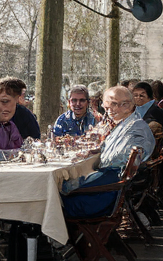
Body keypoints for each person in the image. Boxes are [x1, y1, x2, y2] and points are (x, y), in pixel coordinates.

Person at [60, 86, 154, 217]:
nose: (108, 112)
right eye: (106, 108)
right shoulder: (127, 123)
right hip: (111, 191)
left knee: (55, 199)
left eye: (112, 107)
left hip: (104, 198)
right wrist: (98, 150)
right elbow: (116, 150)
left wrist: (69, 187)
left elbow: (117, 161)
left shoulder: (136, 129)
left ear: (127, 105)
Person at [0, 81, 24, 156]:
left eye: (14, 104)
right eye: (4, 101)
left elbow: (20, 150)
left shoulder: (11, 126)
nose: (8, 108)